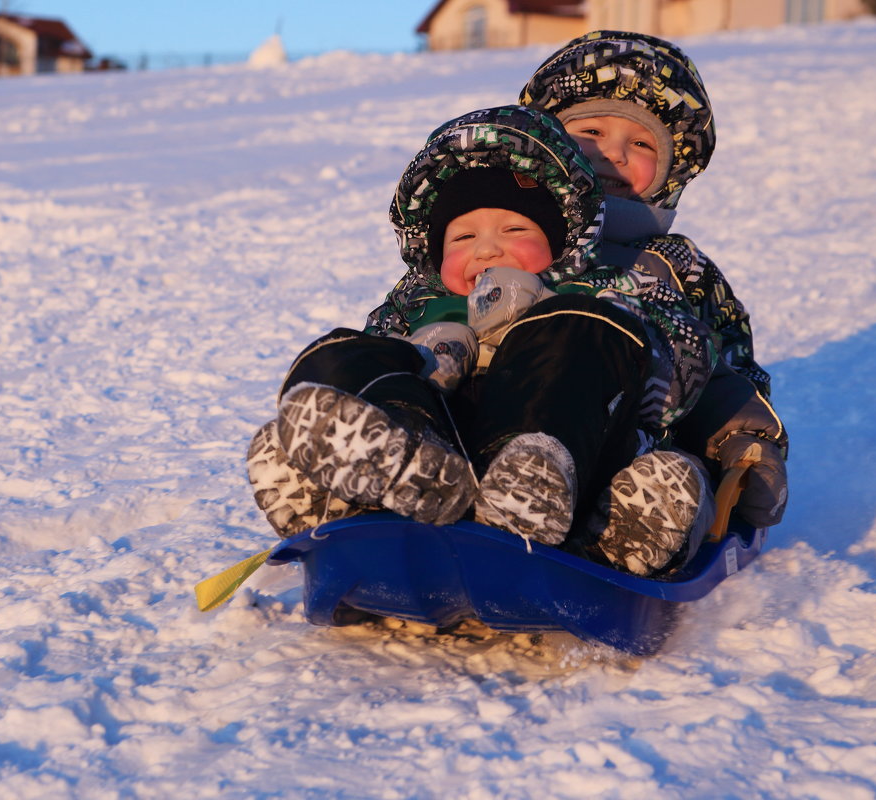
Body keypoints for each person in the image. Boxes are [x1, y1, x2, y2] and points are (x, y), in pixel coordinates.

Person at [248, 104, 719, 576]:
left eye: (515, 230)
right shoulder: (415, 304)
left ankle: (534, 480)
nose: (487, 248)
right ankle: (383, 468)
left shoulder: (602, 289)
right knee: (346, 352)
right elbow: (370, 357)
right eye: (463, 236)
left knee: (585, 328)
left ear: (560, 242)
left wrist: (549, 314)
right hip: (444, 459)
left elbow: (684, 368)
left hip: (577, 457)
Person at [518, 30, 788, 531]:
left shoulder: (677, 268)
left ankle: (645, 520)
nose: (612, 153)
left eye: (640, 142)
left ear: (672, 169)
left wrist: (745, 444)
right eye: (591, 132)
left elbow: (725, 370)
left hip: (629, 454)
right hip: (497, 433)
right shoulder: (502, 237)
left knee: (667, 468)